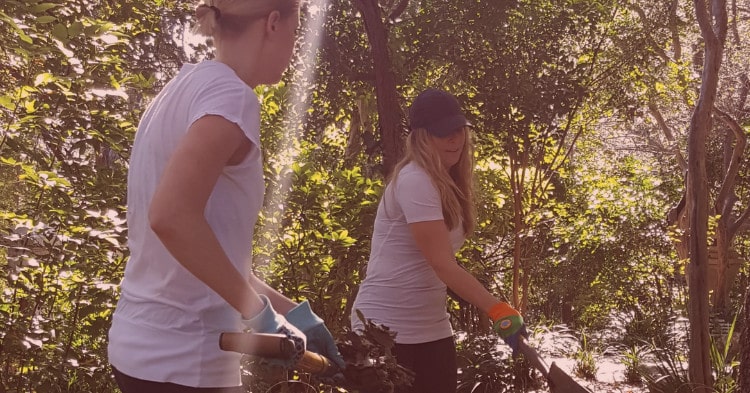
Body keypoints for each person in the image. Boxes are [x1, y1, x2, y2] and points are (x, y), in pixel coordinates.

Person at [108, 2, 344, 392]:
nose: (294, 46)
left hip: (140, 350)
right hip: (188, 361)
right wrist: (258, 315)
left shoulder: (182, 87)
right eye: (295, 32)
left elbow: (208, 252)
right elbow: (171, 217)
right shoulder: (231, 97)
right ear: (272, 24)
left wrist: (294, 314)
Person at [350, 88, 527, 393]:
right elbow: (442, 264)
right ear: (421, 137)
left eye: (459, 129)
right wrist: (497, 309)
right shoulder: (414, 179)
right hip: (382, 331)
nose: (455, 139)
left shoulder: (446, 183)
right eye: (444, 132)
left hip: (431, 328)